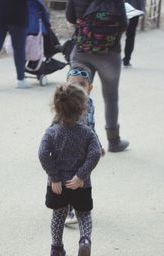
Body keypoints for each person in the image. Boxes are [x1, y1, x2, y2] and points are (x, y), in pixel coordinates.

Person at [38, 83, 102, 256]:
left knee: (58, 215)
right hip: (80, 184)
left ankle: (56, 249)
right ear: (83, 109)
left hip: (58, 185)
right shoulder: (87, 133)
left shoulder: (52, 132)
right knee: (83, 214)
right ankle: (85, 241)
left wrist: (54, 176)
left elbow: (43, 153)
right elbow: (95, 153)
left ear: (56, 108)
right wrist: (81, 176)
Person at [66, 0, 130, 153]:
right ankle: (114, 141)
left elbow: (70, 17)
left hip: (82, 49)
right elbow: (124, 24)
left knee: (75, 95)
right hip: (109, 53)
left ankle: (72, 140)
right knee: (111, 97)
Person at [65, 64, 105, 225]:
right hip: (67, 150)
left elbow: (91, 126)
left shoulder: (90, 104)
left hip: (84, 151)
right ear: (66, 86)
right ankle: (68, 211)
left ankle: (80, 206)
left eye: (82, 84)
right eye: (72, 84)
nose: (77, 88)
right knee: (68, 178)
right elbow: (53, 127)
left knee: (83, 178)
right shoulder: (64, 105)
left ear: (90, 88)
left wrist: (98, 144)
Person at [123, 0, 145, 67]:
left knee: (115, 33)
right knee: (130, 34)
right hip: (134, 8)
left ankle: (113, 58)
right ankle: (127, 59)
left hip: (119, 7)